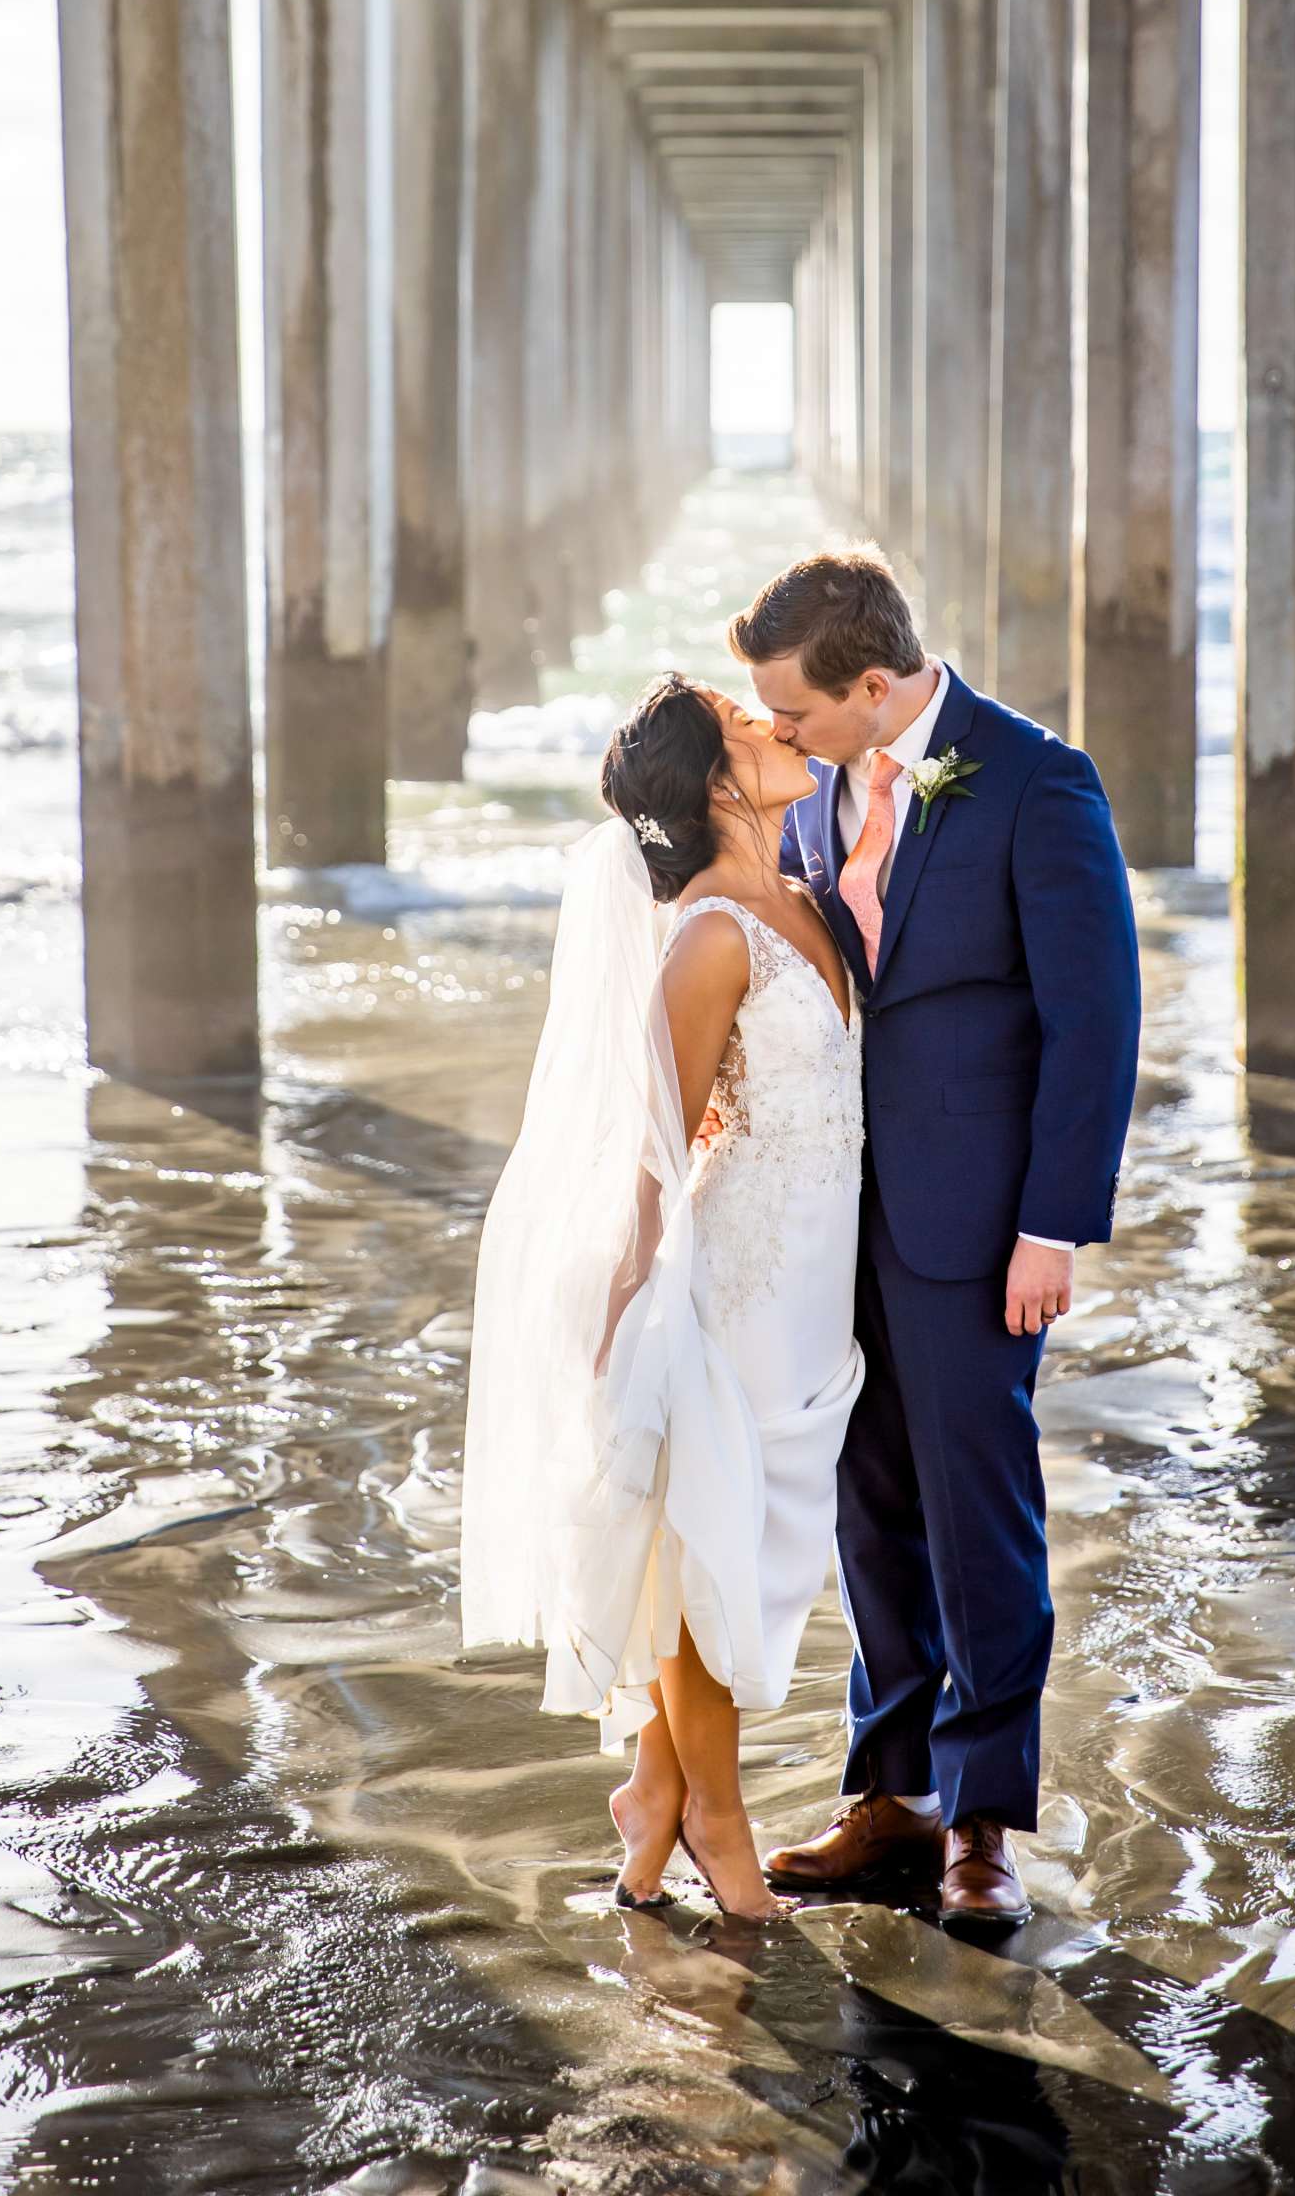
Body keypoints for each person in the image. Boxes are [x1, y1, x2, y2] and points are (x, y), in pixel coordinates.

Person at [730, 543, 1141, 1935]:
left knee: (982, 1518)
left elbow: (1097, 1026)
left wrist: (1052, 1227)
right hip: (831, 1219)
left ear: (875, 683)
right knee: (870, 1506)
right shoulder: (811, 792)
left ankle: (982, 1823)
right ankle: (889, 1795)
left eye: (796, 709)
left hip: (980, 1233)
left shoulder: (1036, 781)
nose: (778, 735)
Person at [460, 672, 865, 1923]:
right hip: (733, 1275)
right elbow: (657, 1146)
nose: (772, 724)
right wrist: (626, 1298)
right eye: (744, 725)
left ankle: (649, 1800)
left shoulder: (801, 899)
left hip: (810, 1278)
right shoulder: (702, 938)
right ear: (711, 785)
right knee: (710, 1539)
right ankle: (716, 1821)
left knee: (756, 1539)